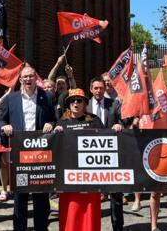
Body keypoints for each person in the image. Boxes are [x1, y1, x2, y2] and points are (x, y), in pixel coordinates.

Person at [0, 65, 55, 231]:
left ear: (35, 78)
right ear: (21, 79)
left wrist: (50, 124)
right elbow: (1, 121)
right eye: (25, 77)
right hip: (19, 154)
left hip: (40, 155)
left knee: (40, 196)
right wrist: (5, 127)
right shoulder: (12, 99)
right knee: (20, 197)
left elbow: (55, 119)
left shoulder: (46, 96)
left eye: (31, 76)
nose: (28, 79)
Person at [54, 88, 105, 231]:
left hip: (90, 175)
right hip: (69, 175)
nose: (75, 103)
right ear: (68, 104)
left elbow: (107, 140)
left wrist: (116, 129)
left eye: (79, 100)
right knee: (71, 208)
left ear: (85, 103)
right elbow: (55, 148)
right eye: (72, 100)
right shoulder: (62, 122)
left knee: (89, 209)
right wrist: (54, 133)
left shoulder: (94, 120)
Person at [86, 76, 124, 231]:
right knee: (92, 194)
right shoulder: (84, 105)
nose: (98, 91)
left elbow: (124, 122)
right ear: (91, 89)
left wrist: (119, 125)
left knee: (115, 194)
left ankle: (117, 226)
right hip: (90, 156)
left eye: (101, 88)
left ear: (105, 89)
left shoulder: (114, 104)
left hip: (111, 155)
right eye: (95, 88)